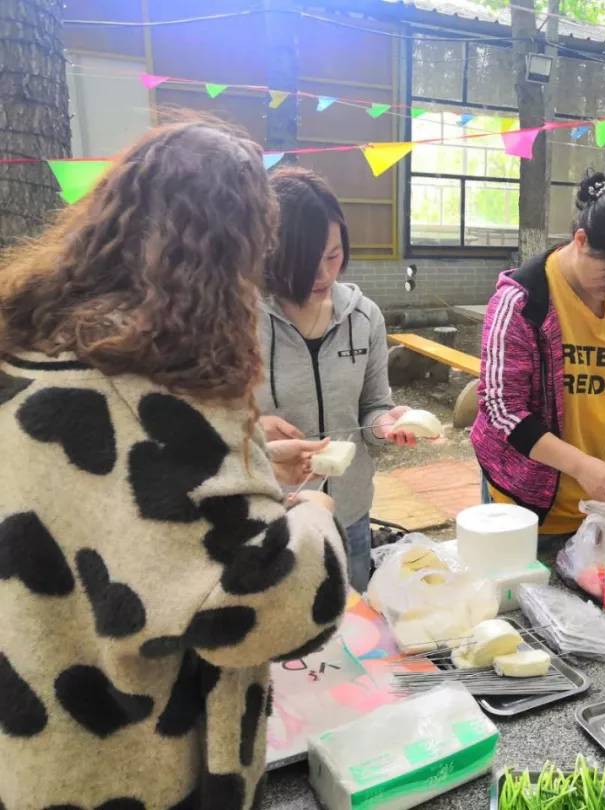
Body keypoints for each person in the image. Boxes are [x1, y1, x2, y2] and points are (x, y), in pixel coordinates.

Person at [0, 120, 346, 809]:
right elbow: (265, 599)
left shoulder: (35, 351)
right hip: (134, 761)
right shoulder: (158, 384)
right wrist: (311, 515)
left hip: (33, 735)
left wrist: (251, 467)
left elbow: (134, 520)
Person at [471, 172, 605, 536]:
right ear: (581, 240)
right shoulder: (524, 302)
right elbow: (503, 409)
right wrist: (580, 466)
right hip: (525, 505)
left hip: (600, 497)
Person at [256, 167, 417, 592]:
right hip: (267, 518)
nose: (323, 275)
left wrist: (386, 424)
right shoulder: (236, 323)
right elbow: (210, 424)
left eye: (332, 256)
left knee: (355, 638)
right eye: (304, 262)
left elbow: (374, 404)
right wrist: (254, 433)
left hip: (350, 515)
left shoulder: (364, 318)